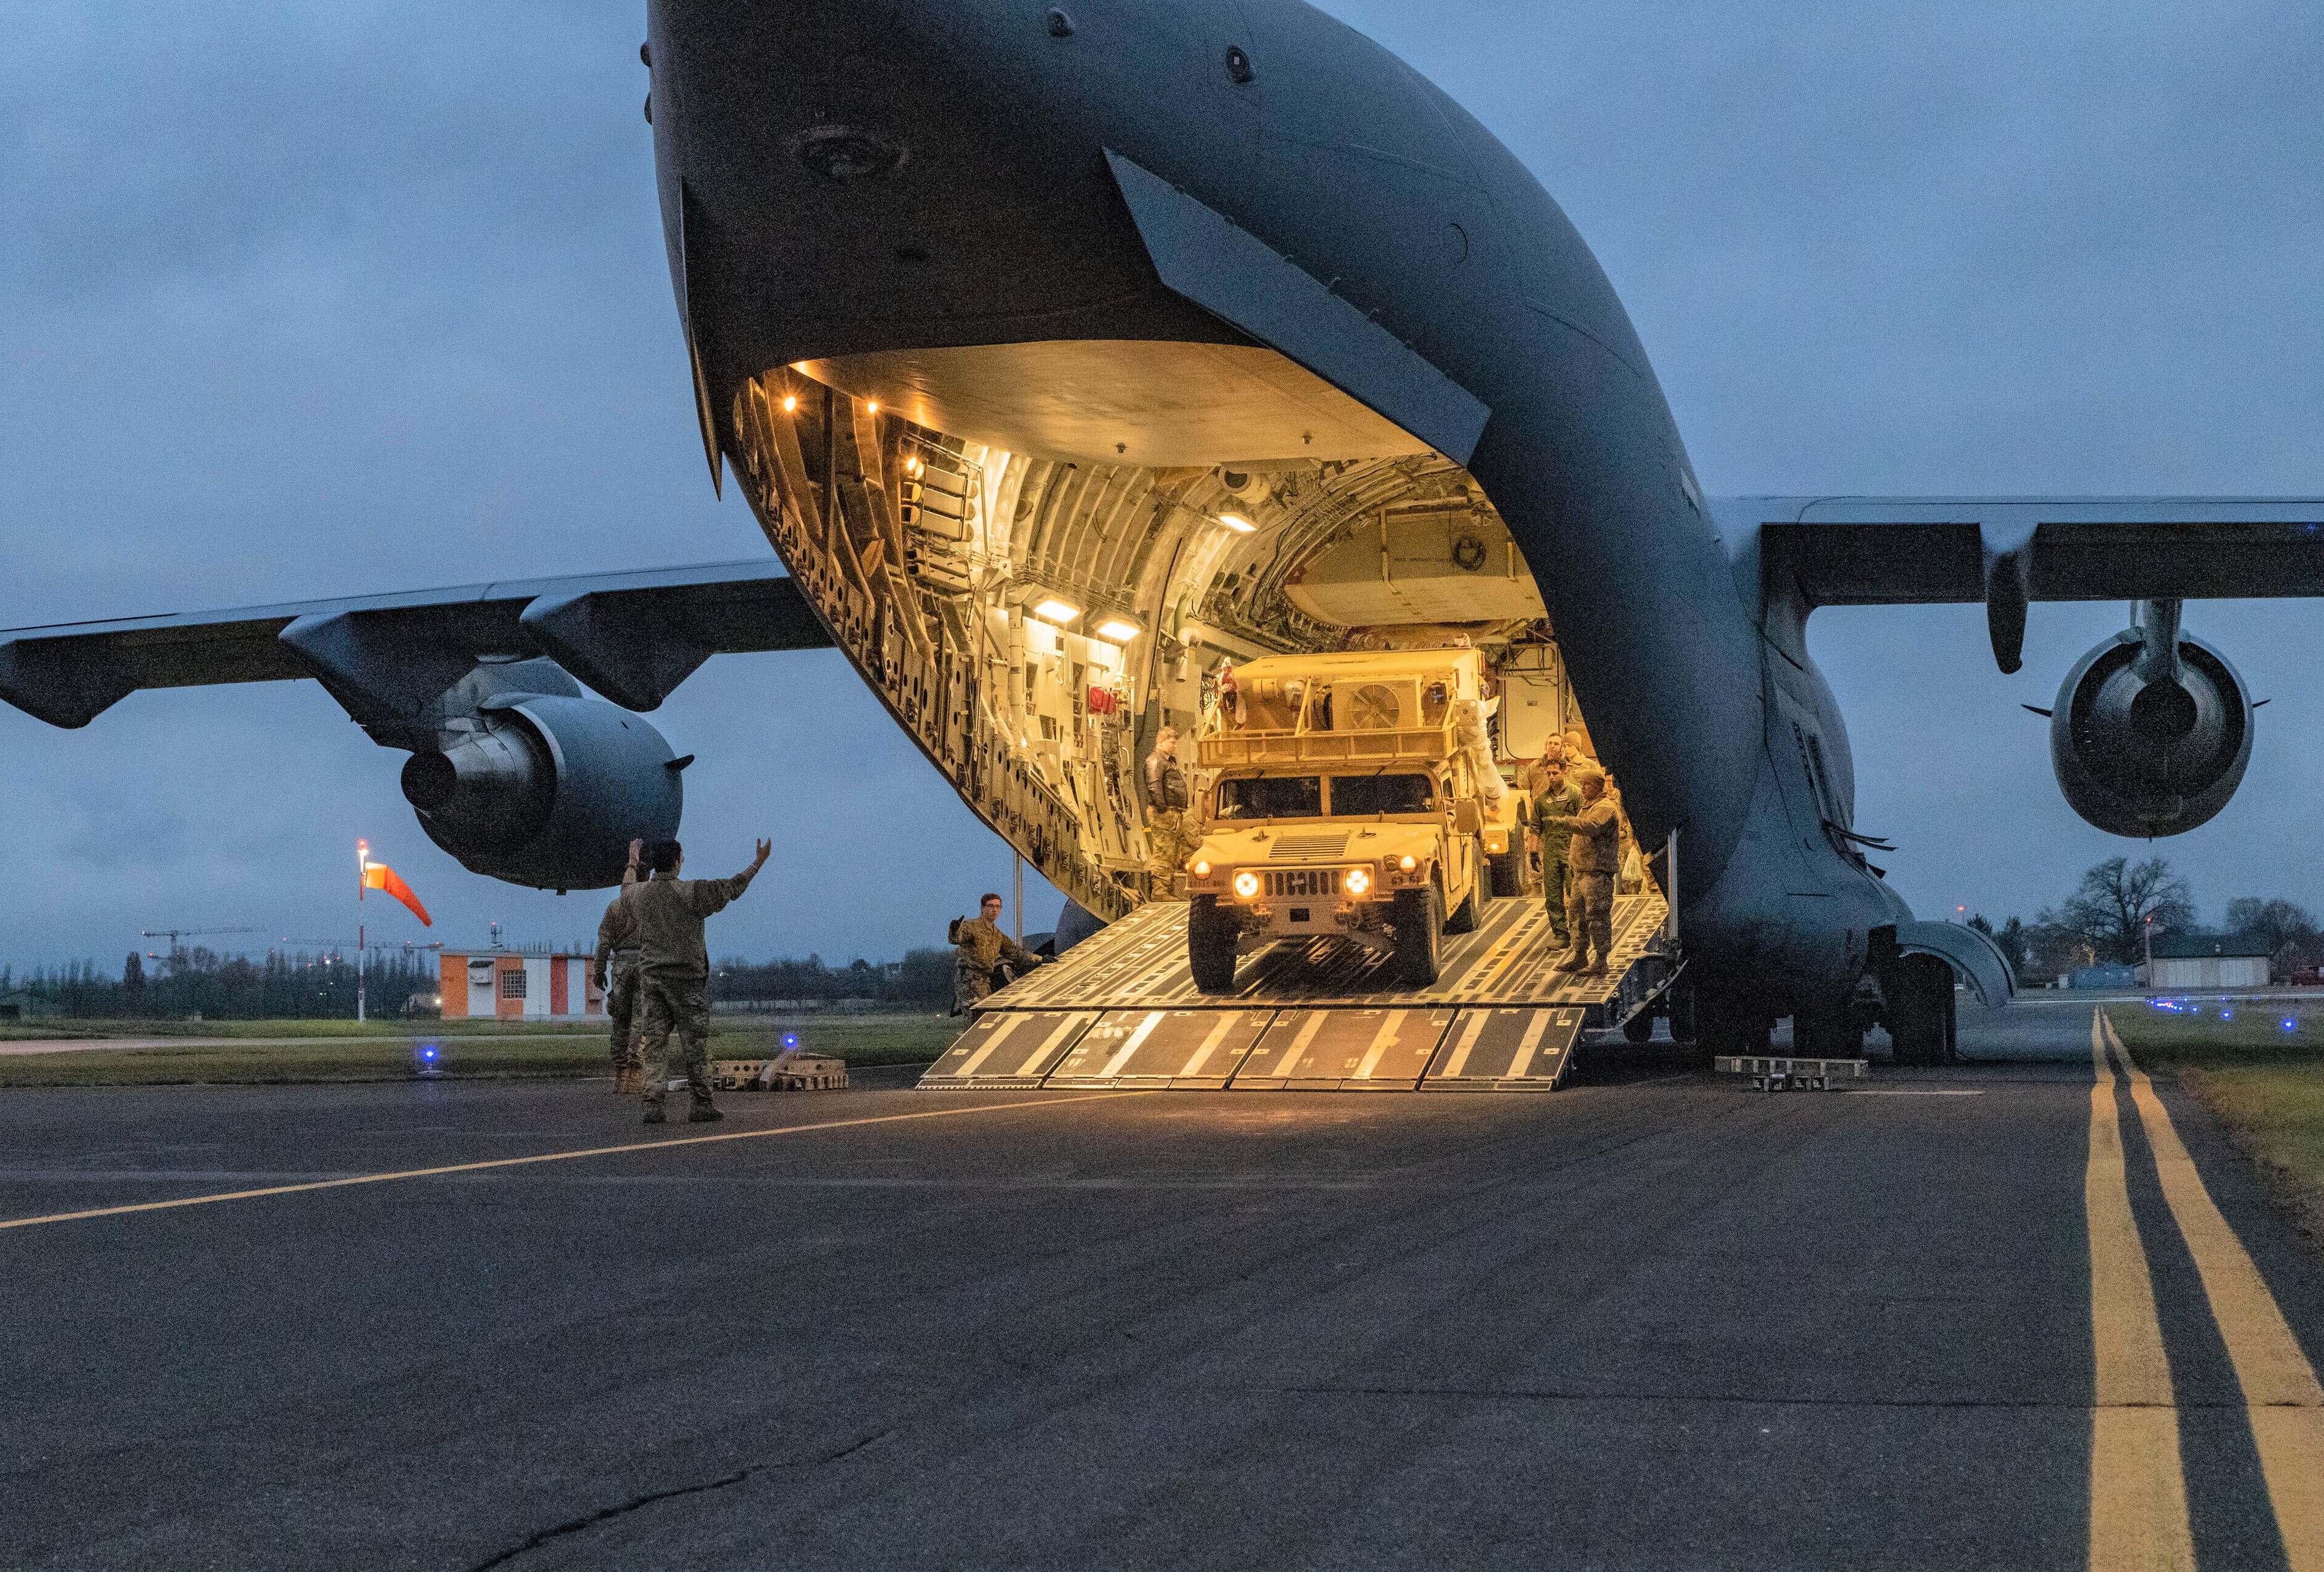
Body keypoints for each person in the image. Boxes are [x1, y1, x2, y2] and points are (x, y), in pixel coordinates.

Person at [629, 836, 770, 1124]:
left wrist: (633, 862)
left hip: (653, 981)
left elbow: (625, 889)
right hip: (687, 982)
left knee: (654, 1046)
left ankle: (653, 1105)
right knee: (695, 1046)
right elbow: (731, 888)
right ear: (679, 860)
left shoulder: (639, 896)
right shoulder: (692, 892)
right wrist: (757, 863)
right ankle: (702, 1104)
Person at [1541, 765, 1620, 976]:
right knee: (1576, 916)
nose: (1582, 788)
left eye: (1586, 784)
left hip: (1597, 873)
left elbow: (1592, 827)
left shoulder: (1604, 807)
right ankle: (1580, 955)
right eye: (1582, 784)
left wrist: (1565, 821)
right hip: (1582, 872)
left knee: (1597, 916)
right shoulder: (1588, 805)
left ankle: (1601, 960)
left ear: (1597, 786)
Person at [590, 838, 648, 1096]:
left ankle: (619, 1074)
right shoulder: (652, 905)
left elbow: (604, 943)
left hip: (621, 964)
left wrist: (599, 972)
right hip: (647, 962)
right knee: (641, 1017)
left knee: (620, 1020)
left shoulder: (614, 907)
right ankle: (636, 1070)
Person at [953, 891, 1041, 1012]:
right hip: (968, 981)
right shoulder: (971, 927)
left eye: (998, 906)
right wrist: (954, 931)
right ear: (982, 908)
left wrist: (1039, 959)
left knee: (985, 1018)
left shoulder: (997, 935)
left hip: (985, 982)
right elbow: (958, 938)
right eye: (991, 906)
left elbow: (1015, 953)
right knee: (974, 1018)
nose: (995, 910)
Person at [1529, 758, 1582, 945]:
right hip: (1551, 851)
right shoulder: (1542, 800)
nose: (1551, 777)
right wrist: (1533, 852)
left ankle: (1579, 933)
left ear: (1564, 772)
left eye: (1555, 773)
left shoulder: (1575, 794)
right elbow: (1535, 827)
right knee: (1552, 895)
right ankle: (1560, 933)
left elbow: (1584, 823)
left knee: (1575, 893)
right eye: (1548, 774)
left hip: (1571, 850)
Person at [1144, 724, 1198, 898]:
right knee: (1163, 852)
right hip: (1164, 814)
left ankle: (1168, 890)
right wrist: (1163, 810)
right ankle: (1160, 892)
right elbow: (1154, 786)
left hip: (1175, 813)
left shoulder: (1168, 761)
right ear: (1161, 742)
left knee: (1173, 853)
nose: (1175, 746)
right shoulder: (1155, 761)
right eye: (1172, 743)